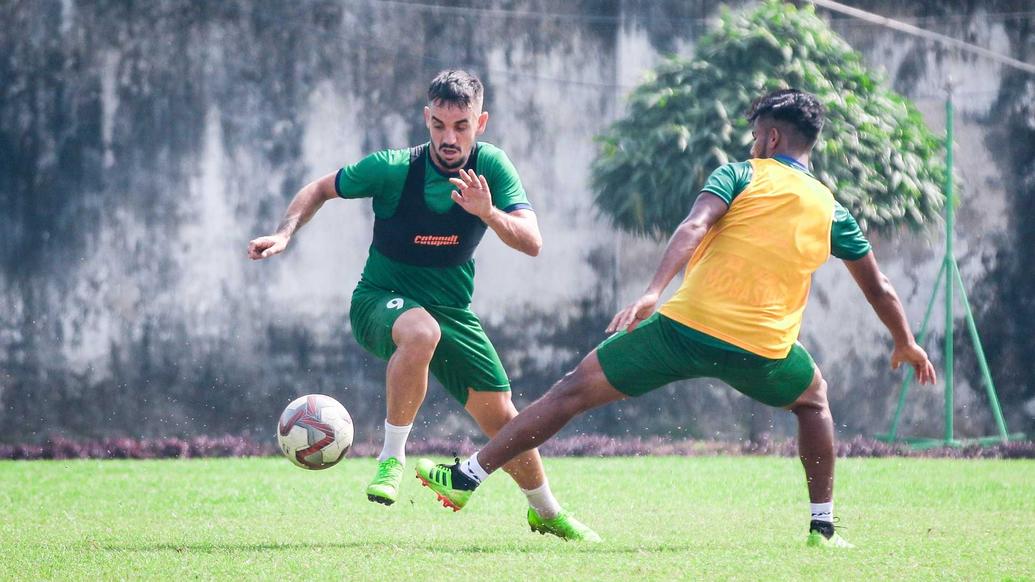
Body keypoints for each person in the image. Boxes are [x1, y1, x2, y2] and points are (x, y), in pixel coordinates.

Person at [414, 88, 937, 548]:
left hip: (684, 329)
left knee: (570, 391)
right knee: (813, 401)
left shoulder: (739, 173)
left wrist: (651, 291)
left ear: (772, 139)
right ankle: (823, 529)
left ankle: (467, 476)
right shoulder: (831, 208)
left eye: (757, 135)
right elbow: (880, 286)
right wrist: (905, 342)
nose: (753, 143)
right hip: (764, 350)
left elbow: (692, 226)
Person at [248, 70, 599, 541]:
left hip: (453, 310)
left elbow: (533, 242)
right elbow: (320, 189)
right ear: (426, 119)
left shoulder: (492, 168)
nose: (448, 137)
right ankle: (392, 457)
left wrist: (487, 213)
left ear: (482, 122)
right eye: (438, 125)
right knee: (421, 332)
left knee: (505, 420)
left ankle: (547, 512)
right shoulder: (394, 168)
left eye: (460, 126)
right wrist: (284, 233)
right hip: (379, 302)